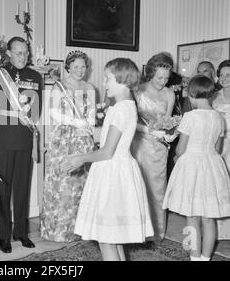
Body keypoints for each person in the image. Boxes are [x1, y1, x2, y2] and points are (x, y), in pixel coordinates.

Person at [62, 58, 153, 261]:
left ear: (122, 81)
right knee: (113, 237)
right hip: (116, 170)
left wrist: (81, 158)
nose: (104, 83)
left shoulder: (121, 109)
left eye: (107, 79)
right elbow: (109, 137)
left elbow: (107, 151)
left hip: (113, 172)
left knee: (106, 239)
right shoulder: (123, 107)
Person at [0, 36, 42, 253]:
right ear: (8, 53)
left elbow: (36, 110)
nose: (23, 57)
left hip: (24, 139)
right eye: (18, 52)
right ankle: (4, 236)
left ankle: (22, 233)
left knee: (22, 190)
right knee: (2, 191)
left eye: (25, 52)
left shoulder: (35, 76)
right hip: (2, 140)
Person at [163, 75, 230, 261]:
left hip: (192, 167)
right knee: (209, 218)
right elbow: (217, 148)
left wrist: (176, 158)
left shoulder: (190, 116)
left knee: (192, 216)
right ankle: (205, 257)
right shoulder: (219, 117)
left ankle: (194, 256)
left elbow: (182, 148)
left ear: (192, 94)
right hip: (212, 166)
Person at [40, 50, 95, 242]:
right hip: (63, 140)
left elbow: (92, 113)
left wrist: (88, 124)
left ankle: (79, 230)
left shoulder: (90, 87)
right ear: (68, 68)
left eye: (83, 66)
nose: (80, 70)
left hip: (83, 140)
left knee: (81, 185)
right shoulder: (59, 86)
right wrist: (75, 121)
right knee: (62, 184)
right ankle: (58, 231)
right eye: (75, 67)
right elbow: (53, 113)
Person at [130, 52, 175, 242]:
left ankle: (156, 231)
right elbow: (130, 121)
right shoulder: (137, 90)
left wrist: (170, 134)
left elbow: (168, 122)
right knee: (137, 185)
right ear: (151, 73)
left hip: (159, 147)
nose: (162, 82)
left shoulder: (170, 94)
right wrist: (148, 131)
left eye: (166, 78)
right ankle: (135, 230)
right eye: (159, 77)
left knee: (157, 188)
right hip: (138, 144)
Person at [212, 59, 230, 240]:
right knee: (220, 185)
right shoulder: (214, 97)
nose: (224, 78)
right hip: (218, 145)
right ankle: (220, 231)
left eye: (228, 75)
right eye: (222, 75)